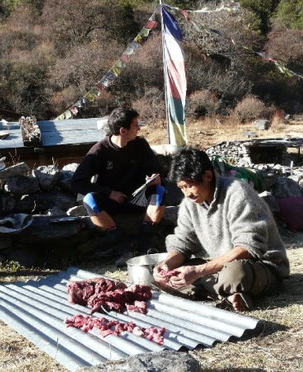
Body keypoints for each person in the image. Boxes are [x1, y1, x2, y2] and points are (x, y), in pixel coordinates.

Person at [152, 147, 289, 311]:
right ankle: (230, 294)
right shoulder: (190, 204)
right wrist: (168, 264)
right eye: (181, 187)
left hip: (260, 267)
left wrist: (199, 271)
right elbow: (182, 243)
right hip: (219, 267)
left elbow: (248, 248)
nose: (186, 193)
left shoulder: (237, 193)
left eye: (189, 186)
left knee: (235, 273)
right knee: (171, 275)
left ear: (208, 176)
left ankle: (214, 289)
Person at [71, 107, 166, 258]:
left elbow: (155, 169)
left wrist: (153, 177)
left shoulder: (140, 144)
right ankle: (120, 241)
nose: (139, 129)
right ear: (123, 131)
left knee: (160, 191)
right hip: (111, 200)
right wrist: (109, 193)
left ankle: (146, 238)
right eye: (136, 125)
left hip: (138, 198)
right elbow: (77, 183)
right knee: (89, 199)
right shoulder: (99, 151)